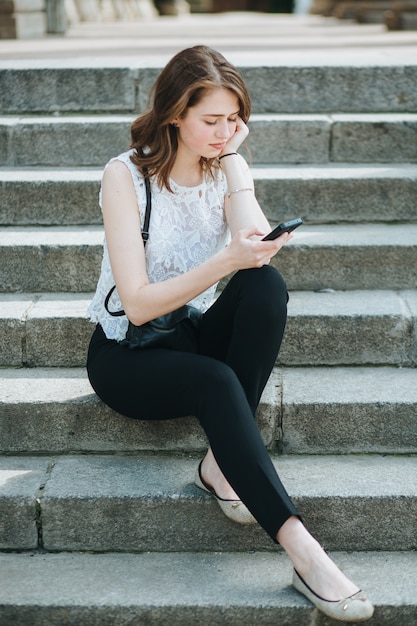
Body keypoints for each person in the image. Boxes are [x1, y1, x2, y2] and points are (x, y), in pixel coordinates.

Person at [86, 45, 374, 622]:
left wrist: (236, 166)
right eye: (211, 121)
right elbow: (139, 306)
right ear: (175, 115)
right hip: (128, 355)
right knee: (216, 380)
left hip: (188, 333)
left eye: (234, 119)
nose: (225, 132)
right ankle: (303, 550)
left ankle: (222, 463)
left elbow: (252, 245)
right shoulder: (126, 176)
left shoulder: (225, 164)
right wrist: (227, 261)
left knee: (266, 287)